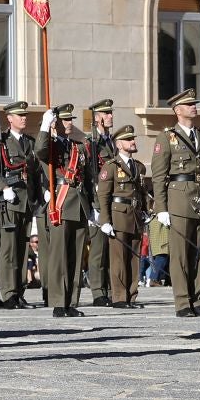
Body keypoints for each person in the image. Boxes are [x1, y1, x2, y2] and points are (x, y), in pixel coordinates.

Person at [152, 89, 200, 317]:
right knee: (180, 255)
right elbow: (158, 176)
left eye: (194, 103)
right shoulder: (166, 138)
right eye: (189, 104)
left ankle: (198, 300)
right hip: (178, 199)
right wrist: (162, 208)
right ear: (178, 110)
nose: (194, 107)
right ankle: (183, 302)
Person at [36, 104, 97, 318]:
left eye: (71, 119)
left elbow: (87, 178)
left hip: (78, 202)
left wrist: (93, 206)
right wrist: (45, 126)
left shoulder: (77, 148)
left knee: (76, 254)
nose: (70, 123)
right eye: (65, 120)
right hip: (60, 202)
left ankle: (71, 301)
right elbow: (40, 151)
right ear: (56, 123)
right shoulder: (50, 145)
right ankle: (58, 302)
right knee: (59, 255)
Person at [0, 100, 38, 308]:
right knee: (8, 249)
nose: (24, 118)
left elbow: (33, 172)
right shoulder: (0, 142)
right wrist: (2, 188)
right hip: (9, 200)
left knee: (23, 249)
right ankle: (8, 292)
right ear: (9, 118)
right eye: (19, 115)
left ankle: (19, 290)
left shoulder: (29, 143)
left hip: (25, 200)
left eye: (25, 115)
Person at [94, 124, 148, 307]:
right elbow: (103, 195)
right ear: (118, 144)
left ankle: (131, 295)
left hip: (135, 215)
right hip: (118, 216)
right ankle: (119, 297)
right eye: (128, 139)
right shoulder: (110, 167)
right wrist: (105, 220)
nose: (132, 142)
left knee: (134, 257)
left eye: (133, 138)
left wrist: (145, 211)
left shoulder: (139, 167)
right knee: (118, 258)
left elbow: (141, 192)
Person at [84, 100, 119, 307]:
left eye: (110, 113)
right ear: (97, 118)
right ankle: (98, 291)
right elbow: (89, 175)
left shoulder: (112, 142)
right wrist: (92, 205)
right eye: (106, 113)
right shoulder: (91, 142)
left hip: (112, 199)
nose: (110, 116)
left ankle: (108, 289)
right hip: (98, 201)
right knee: (97, 249)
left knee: (109, 249)